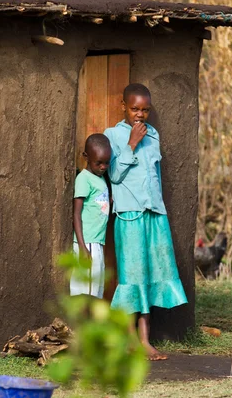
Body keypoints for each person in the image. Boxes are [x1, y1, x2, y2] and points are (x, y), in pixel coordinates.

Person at [104, 83, 187, 360]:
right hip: (129, 215)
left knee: (151, 274)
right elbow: (114, 175)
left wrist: (160, 207)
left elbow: (156, 177)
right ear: (123, 106)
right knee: (132, 277)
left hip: (154, 214)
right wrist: (131, 143)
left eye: (145, 110)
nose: (140, 115)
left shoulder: (154, 135)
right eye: (134, 109)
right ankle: (130, 339)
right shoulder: (113, 135)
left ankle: (145, 339)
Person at [71, 133, 111, 298]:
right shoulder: (84, 179)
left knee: (94, 289)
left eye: (107, 163)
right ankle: (80, 324)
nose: (103, 167)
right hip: (87, 242)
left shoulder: (99, 179)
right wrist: (82, 246)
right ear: (86, 157)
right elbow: (76, 213)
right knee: (86, 290)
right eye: (99, 163)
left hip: (97, 242)